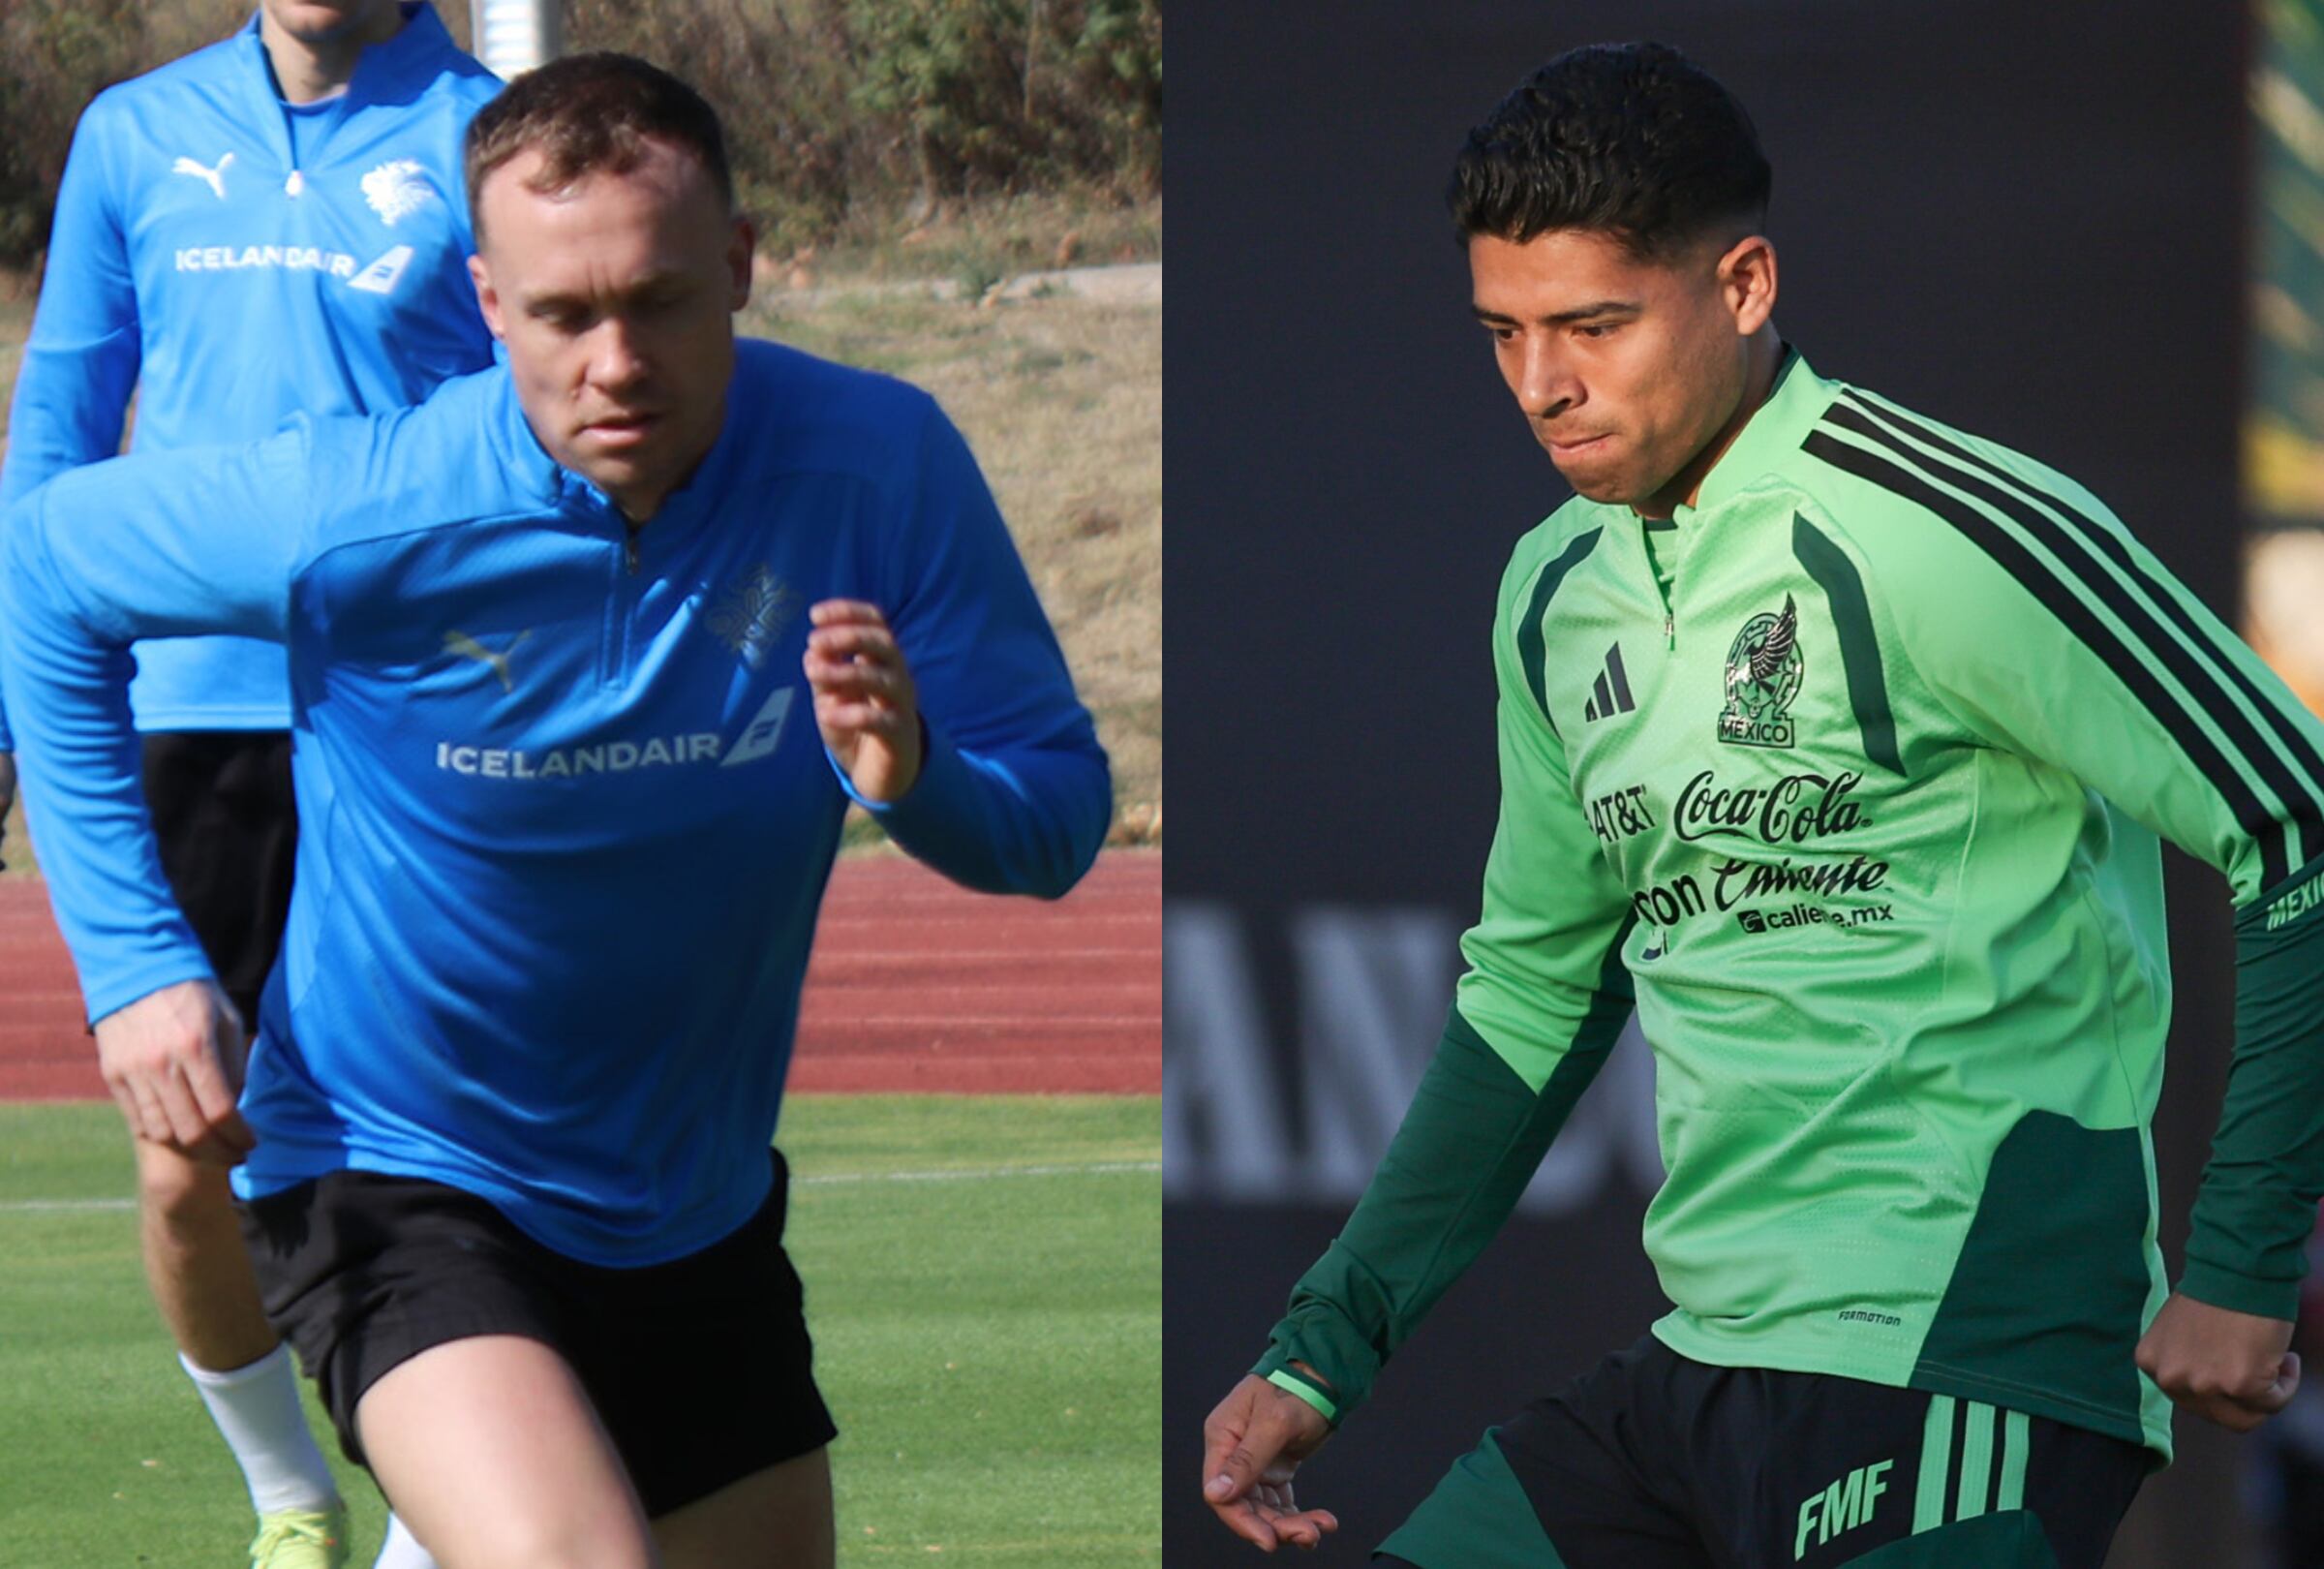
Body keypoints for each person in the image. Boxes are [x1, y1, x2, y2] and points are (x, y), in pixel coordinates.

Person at [1198, 41, 2324, 1569]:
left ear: (1741, 284)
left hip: (1965, 1358)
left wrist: (2245, 1260)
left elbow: (2297, 823)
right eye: (1506, 332)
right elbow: (1532, 998)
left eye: (1594, 324)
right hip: (1705, 1357)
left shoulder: (1944, 529)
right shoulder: (1552, 593)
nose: (1544, 384)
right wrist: (1324, 1343)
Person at [3, 49, 1111, 1569]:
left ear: (738, 266)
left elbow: (1055, 822)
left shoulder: (878, 463)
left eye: (657, 300)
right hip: (393, 1169)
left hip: (693, 1209)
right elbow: (45, 572)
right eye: (563, 315)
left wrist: (918, 783)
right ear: (485, 305)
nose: (616, 362)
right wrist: (135, 967)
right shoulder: (359, 506)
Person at [0, 4, 498, 1564]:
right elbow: (56, 441)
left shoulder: (495, 137)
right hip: (185, 718)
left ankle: (443, 1500)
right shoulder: (134, 134)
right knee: (182, 1161)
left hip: (410, 720)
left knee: (429, 1151)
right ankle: (291, 1493)